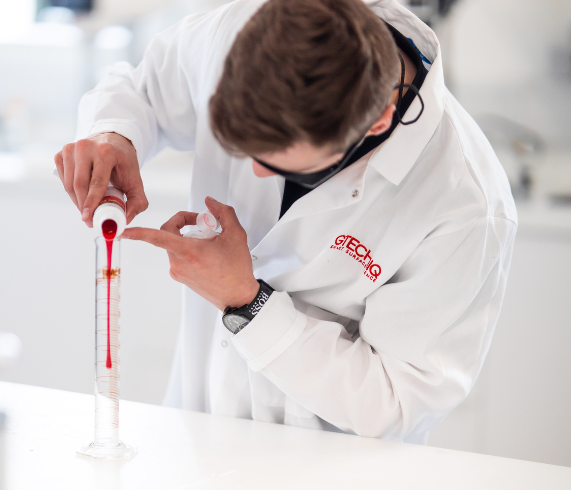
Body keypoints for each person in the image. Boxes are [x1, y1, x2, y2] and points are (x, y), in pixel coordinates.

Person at [54, 0, 517, 443]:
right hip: (195, 435)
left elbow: (396, 402)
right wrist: (112, 133)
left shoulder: (463, 204)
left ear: (376, 123)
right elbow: (146, 88)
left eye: (286, 166)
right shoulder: (249, 31)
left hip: (328, 475)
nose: (253, 173)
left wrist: (247, 303)